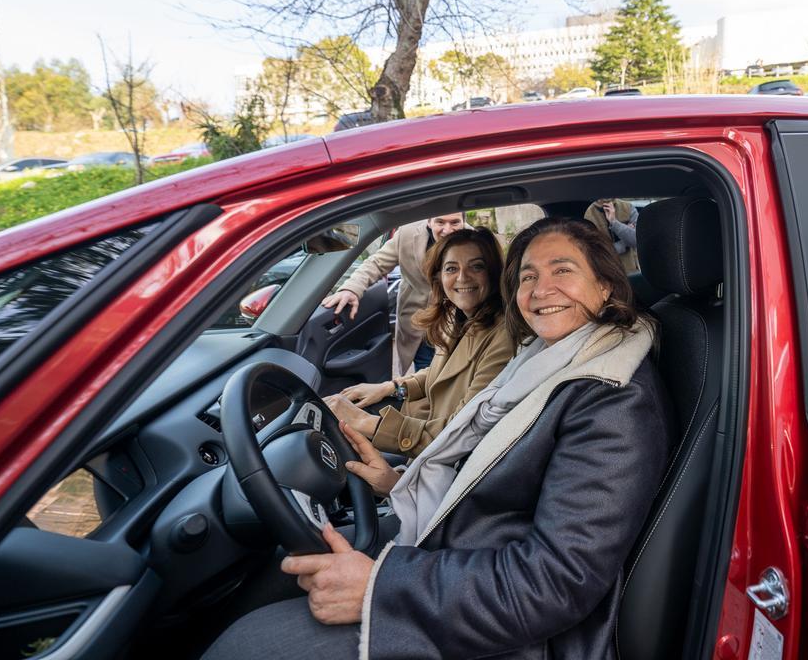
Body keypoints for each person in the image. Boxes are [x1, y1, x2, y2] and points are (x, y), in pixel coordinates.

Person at [204, 217, 672, 660]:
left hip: (515, 633)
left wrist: (379, 587)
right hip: (463, 559)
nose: (540, 290)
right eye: (528, 276)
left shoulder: (613, 402)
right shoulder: (546, 357)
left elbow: (554, 583)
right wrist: (395, 482)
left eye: (562, 271)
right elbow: (495, 474)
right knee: (283, 568)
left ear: (606, 286)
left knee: (249, 646)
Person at [325, 227, 515, 458]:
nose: (463, 277)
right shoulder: (458, 317)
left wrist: (364, 421)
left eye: (477, 266)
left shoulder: (503, 337)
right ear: (438, 277)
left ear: (494, 274)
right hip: (424, 423)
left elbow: (461, 434)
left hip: (439, 450)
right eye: (451, 268)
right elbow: (440, 374)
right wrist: (392, 387)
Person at [322, 213, 466, 375]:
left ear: (464, 222)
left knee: (454, 374)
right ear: (429, 221)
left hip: (457, 324)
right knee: (424, 372)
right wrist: (351, 288)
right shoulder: (407, 234)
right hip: (418, 323)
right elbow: (377, 263)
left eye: (455, 222)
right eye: (440, 222)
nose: (447, 230)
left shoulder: (474, 240)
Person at [584, 197, 639, 273]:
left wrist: (614, 223)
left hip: (632, 270)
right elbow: (597, 252)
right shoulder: (589, 214)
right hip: (607, 272)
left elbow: (637, 240)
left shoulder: (628, 207)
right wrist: (624, 242)